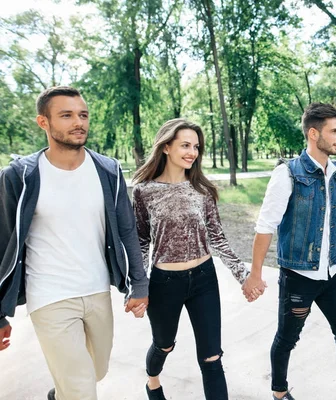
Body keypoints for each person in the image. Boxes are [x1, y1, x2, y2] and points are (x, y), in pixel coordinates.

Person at [0, 86, 149, 400]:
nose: (77, 122)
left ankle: (62, 394)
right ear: (44, 122)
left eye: (82, 114)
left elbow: (126, 230)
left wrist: (139, 283)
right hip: (49, 295)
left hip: (96, 289)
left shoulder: (107, 171)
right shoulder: (20, 176)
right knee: (82, 389)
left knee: (96, 371)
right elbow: (3, 243)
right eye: (66, 115)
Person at [243, 103, 336, 400]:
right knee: (287, 338)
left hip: (332, 274)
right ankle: (279, 392)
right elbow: (266, 225)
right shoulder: (288, 174)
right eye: (334, 131)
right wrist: (255, 274)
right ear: (313, 133)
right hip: (298, 275)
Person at [132, 118, 263, 400]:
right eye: (185, 145)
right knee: (164, 345)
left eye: (196, 147)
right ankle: (152, 381)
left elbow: (218, 237)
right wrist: (139, 287)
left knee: (212, 357)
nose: (192, 152)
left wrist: (244, 275)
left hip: (204, 279)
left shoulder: (202, 190)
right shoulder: (144, 191)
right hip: (164, 282)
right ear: (166, 147)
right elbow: (141, 241)